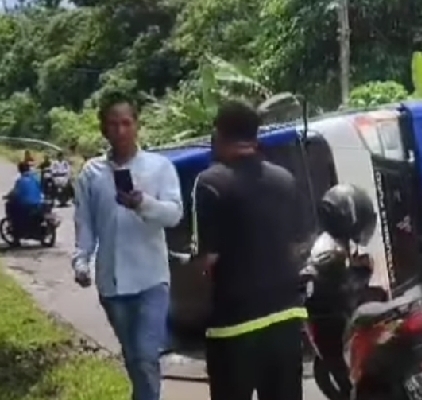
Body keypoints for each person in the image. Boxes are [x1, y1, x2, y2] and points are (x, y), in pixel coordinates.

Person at [190, 100, 306, 400]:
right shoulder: (285, 179)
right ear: (256, 136)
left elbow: (208, 260)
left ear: (217, 134)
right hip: (287, 317)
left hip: (235, 326)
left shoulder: (210, 183)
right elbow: (297, 245)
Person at [72, 91, 184, 400]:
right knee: (134, 357)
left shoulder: (159, 167)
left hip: (152, 280)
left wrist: (142, 203)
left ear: (137, 125)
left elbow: (174, 215)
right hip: (113, 284)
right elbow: (86, 224)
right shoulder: (91, 174)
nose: (120, 130)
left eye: (126, 123)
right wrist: (81, 261)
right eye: (113, 124)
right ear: (103, 129)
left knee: (146, 354)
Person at [304, 183, 379, 398]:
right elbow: (337, 286)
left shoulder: (337, 243)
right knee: (349, 378)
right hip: (334, 318)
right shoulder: (327, 249)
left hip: (344, 314)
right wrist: (361, 272)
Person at [8, 161, 44, 243]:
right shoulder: (35, 178)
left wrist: (9, 196)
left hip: (25, 206)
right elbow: (41, 189)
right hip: (38, 204)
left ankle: (16, 239)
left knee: (14, 215)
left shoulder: (20, 180)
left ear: (20, 170)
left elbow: (15, 192)